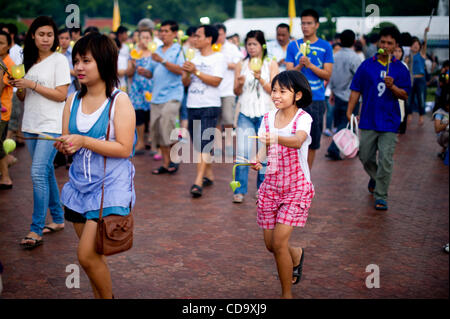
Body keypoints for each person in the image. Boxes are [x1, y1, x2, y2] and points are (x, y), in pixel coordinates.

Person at [55, 32, 136, 299]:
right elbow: (70, 142)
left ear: (103, 62)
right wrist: (66, 145)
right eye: (76, 60)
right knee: (93, 257)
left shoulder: (118, 101)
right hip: (79, 187)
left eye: (86, 60)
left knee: (86, 256)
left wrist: (83, 140)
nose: (79, 66)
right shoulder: (72, 100)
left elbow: (124, 148)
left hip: (110, 187)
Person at [251, 70, 314, 299]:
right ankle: (295, 254)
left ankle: (286, 294)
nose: (276, 95)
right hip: (271, 187)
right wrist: (258, 160)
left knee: (278, 243)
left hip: (296, 187)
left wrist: (275, 137)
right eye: (274, 90)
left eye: (282, 91)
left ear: (297, 95)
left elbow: (298, 141)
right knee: (271, 245)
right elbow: (264, 147)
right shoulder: (267, 118)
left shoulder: (303, 118)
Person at [9, 16, 71, 248]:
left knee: (37, 173)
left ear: (54, 38)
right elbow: (24, 97)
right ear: (32, 36)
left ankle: (35, 229)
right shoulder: (28, 61)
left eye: (49, 34)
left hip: (51, 125)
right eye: (41, 34)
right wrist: (19, 86)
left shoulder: (59, 60)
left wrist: (32, 85)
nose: (46, 38)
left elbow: (61, 95)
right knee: (45, 173)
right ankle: (57, 219)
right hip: (31, 124)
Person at [346, 26, 411, 211]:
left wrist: (393, 87)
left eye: (390, 43)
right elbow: (356, 89)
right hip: (368, 119)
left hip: (390, 121)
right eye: (383, 42)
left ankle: (381, 195)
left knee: (386, 159)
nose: (385, 45)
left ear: (396, 45)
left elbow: (405, 95)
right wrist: (349, 111)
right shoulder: (367, 65)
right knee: (365, 156)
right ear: (378, 43)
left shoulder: (400, 69)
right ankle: (376, 178)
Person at [232, 30, 278, 203]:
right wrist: (240, 84)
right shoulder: (241, 64)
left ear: (262, 45)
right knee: (243, 153)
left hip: (265, 113)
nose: (251, 48)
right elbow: (236, 91)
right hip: (245, 111)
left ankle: (262, 189)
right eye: (249, 44)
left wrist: (260, 79)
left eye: (254, 44)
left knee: (263, 153)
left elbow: (275, 91)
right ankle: (239, 190)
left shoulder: (270, 63)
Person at [286, 9, 334, 170]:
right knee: (292, 139)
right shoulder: (293, 46)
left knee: (312, 141)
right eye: (303, 23)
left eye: (309, 23)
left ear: (316, 25)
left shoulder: (325, 46)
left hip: (316, 99)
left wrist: (310, 65)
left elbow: (327, 74)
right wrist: (300, 65)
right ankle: (294, 174)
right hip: (295, 100)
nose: (305, 27)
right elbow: (288, 74)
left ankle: (306, 176)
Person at [182, 25, 226, 198]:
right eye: (194, 36)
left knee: (204, 143)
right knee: (198, 144)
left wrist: (196, 71)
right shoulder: (192, 56)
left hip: (209, 104)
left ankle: (198, 181)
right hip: (192, 103)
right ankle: (208, 174)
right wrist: (186, 73)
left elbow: (216, 81)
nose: (194, 39)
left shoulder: (218, 58)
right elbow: (185, 83)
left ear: (209, 39)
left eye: (198, 36)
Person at [148, 20, 185, 174]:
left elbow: (180, 70)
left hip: (172, 95)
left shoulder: (178, 50)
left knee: (167, 126)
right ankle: (165, 163)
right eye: (161, 31)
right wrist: (145, 72)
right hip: (156, 96)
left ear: (174, 33)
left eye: (166, 31)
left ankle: (174, 159)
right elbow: (151, 72)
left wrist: (162, 60)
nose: (162, 34)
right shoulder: (156, 50)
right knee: (157, 129)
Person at [325, 29, 361, 160]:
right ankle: (334, 148)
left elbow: (331, 76)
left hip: (337, 94)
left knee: (341, 123)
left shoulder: (335, 56)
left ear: (340, 40)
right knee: (346, 124)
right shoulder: (355, 58)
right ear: (354, 41)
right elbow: (359, 79)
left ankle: (348, 148)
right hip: (351, 96)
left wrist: (333, 92)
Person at [215, 24, 243, 156]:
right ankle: (218, 146)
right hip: (213, 90)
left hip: (227, 89)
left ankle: (229, 144)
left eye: (221, 34)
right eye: (217, 34)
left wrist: (224, 63)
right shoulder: (211, 47)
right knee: (216, 120)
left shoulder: (231, 48)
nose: (219, 37)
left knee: (227, 119)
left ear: (225, 34)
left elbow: (239, 64)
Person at [128, 28, 153, 154]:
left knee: (152, 115)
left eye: (148, 37)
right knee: (138, 114)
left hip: (151, 87)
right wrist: (132, 63)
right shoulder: (134, 53)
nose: (145, 40)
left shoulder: (155, 53)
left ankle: (153, 142)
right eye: (143, 37)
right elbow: (129, 73)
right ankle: (140, 141)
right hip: (137, 87)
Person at [405, 27, 429, 125]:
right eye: (414, 44)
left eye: (417, 44)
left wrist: (425, 33)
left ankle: (421, 116)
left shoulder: (422, 54)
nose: (416, 46)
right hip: (411, 79)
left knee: (421, 98)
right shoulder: (408, 56)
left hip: (420, 80)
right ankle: (409, 114)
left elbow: (425, 43)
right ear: (410, 46)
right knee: (409, 98)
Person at [0, 30, 15, 189]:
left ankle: (5, 177)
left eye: (1, 43)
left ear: (9, 45)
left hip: (2, 113)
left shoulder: (6, 64)